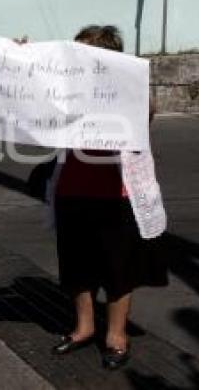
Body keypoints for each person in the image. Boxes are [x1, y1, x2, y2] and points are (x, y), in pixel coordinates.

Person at [44, 25, 168, 370]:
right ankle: (83, 328)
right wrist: (24, 59)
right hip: (72, 191)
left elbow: (147, 115)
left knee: (118, 269)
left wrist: (130, 87)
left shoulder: (128, 90)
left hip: (118, 194)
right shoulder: (68, 90)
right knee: (77, 266)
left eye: (85, 52)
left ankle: (116, 335)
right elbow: (34, 101)